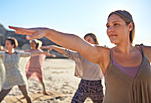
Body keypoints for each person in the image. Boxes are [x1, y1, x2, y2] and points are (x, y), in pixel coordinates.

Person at [9, 10, 151, 103]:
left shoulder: (145, 52)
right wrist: (48, 32)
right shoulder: (105, 55)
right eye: (107, 26)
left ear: (130, 26)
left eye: (116, 24)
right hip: (84, 83)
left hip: (96, 86)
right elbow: (78, 44)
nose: (110, 29)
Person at [0, 37, 51, 103]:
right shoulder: (2, 54)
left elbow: (30, 54)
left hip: (19, 77)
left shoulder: (18, 54)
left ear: (13, 45)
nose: (6, 45)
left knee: (26, 96)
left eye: (8, 44)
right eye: (5, 44)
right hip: (8, 80)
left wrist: (41, 53)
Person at [42, 33, 104, 103]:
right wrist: (54, 47)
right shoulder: (81, 54)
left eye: (89, 40)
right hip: (83, 84)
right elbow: (67, 52)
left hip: (97, 86)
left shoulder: (102, 54)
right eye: (85, 41)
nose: (87, 43)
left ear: (95, 41)